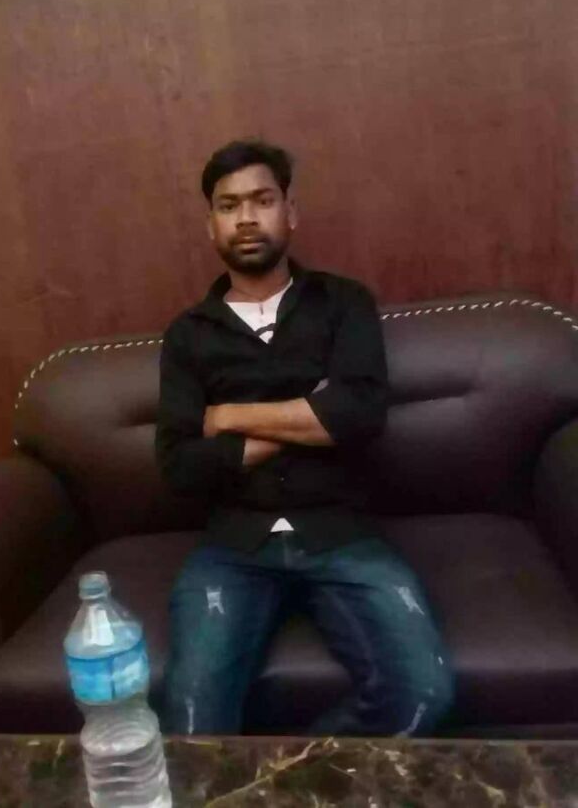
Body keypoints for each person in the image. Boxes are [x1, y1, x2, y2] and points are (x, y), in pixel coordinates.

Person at [156, 140, 454, 736]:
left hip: (341, 533)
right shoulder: (187, 336)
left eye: (262, 200)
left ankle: (287, 777)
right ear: (211, 224)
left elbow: (361, 417)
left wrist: (228, 416)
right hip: (234, 544)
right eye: (229, 205)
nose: (246, 218)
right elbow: (180, 465)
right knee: (191, 722)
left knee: (423, 695)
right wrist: (313, 416)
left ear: (290, 212)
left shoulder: (343, 303)